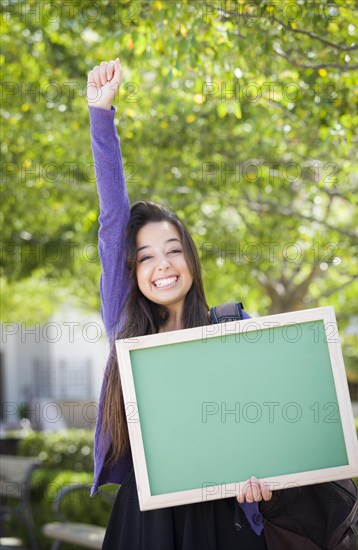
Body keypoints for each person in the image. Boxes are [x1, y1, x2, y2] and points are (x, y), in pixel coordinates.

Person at [86, 57, 274, 550]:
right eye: (145, 257)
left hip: (221, 518)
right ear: (132, 271)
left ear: (190, 259)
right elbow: (112, 221)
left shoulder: (232, 328)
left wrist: (262, 477)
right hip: (147, 517)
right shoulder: (126, 327)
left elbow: (271, 419)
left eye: (173, 251)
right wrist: (101, 118)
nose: (162, 265)